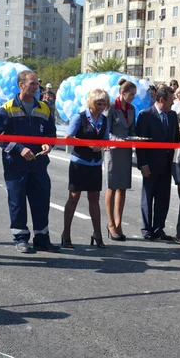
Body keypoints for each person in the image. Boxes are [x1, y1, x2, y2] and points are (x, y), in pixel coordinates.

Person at [0, 70, 60, 254]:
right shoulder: (7, 108)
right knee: (17, 202)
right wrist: (19, 148)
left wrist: (48, 144)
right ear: (21, 85)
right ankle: (21, 238)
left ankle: (42, 238)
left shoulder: (44, 107)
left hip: (38, 165)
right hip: (16, 165)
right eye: (32, 84)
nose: (36, 87)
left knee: (41, 201)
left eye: (37, 84)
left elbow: (51, 134)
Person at [62, 89, 111, 249]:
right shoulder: (80, 117)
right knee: (74, 197)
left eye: (104, 104)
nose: (102, 107)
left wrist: (102, 147)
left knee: (94, 199)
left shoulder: (104, 120)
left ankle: (97, 233)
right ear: (91, 102)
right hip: (79, 162)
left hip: (95, 163)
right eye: (99, 103)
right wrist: (87, 144)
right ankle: (66, 234)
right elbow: (68, 138)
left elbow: (105, 140)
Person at [136, 85, 180, 240]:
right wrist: (143, 164)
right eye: (171, 99)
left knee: (163, 198)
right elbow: (140, 142)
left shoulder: (173, 115)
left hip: (167, 164)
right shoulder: (146, 115)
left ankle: (158, 228)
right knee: (148, 197)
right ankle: (147, 229)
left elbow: (176, 140)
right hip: (150, 164)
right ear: (162, 100)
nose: (173, 102)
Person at [104, 79, 136, 241]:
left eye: (134, 95)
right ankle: (110, 223)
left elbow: (132, 130)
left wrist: (135, 139)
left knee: (122, 188)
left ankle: (118, 222)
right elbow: (105, 131)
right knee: (112, 186)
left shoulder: (132, 109)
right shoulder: (110, 107)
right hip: (112, 151)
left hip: (126, 151)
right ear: (122, 93)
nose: (133, 98)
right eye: (131, 95)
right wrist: (117, 140)